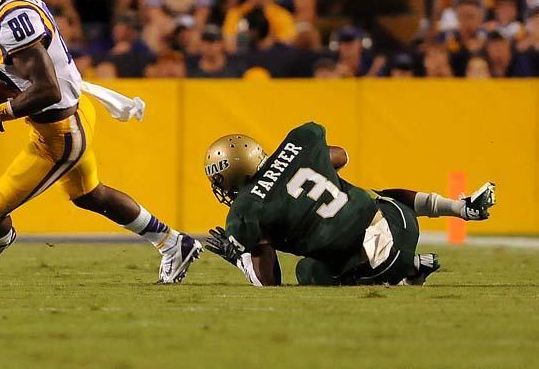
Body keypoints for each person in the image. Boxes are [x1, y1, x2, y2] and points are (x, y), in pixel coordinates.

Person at [0, 0, 201, 282]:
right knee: (89, 195)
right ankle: (173, 243)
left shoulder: (12, 21)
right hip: (70, 115)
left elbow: (47, 90)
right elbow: (31, 80)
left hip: (60, 133)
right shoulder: (10, 6)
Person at [202, 122, 496, 286]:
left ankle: (412, 266)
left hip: (377, 264)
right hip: (402, 222)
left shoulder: (246, 210)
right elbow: (341, 156)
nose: (222, 188)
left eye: (222, 180)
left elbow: (269, 284)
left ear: (236, 174)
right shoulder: (299, 141)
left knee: (307, 273)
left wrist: (238, 257)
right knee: (369, 194)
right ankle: (461, 208)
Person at [222, 0, 296, 53]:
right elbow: (228, 42)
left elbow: (288, 41)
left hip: (272, 57)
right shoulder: (235, 13)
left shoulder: (281, 14)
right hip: (243, 57)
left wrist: (268, 42)